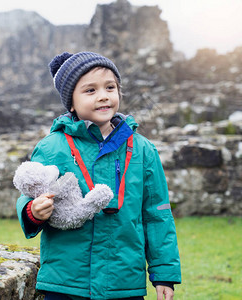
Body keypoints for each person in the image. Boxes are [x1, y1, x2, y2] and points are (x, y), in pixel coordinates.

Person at [16, 51, 181, 300]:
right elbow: (28, 193)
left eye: (110, 87)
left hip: (124, 282)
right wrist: (32, 211)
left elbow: (157, 214)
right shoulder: (51, 147)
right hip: (66, 283)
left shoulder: (143, 150)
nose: (103, 95)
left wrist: (164, 273)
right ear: (71, 102)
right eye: (90, 90)